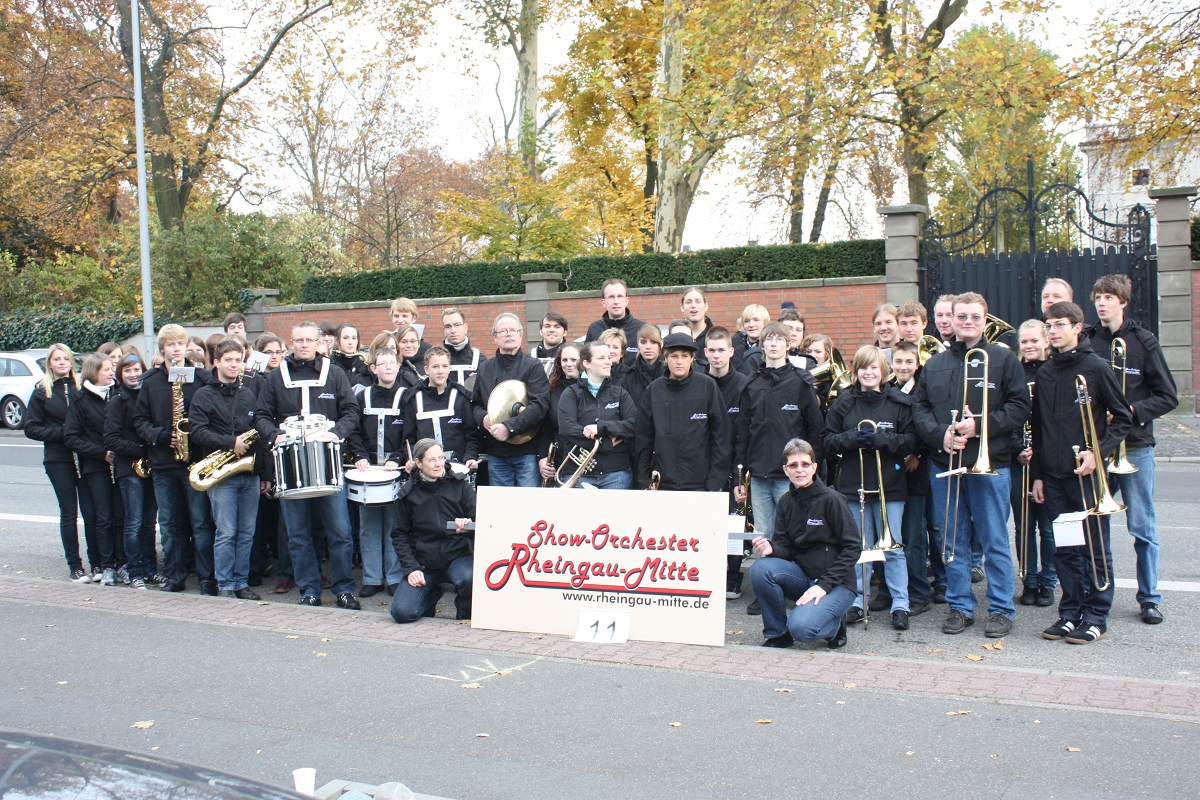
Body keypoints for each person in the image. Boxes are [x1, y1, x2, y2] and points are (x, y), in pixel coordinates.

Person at [913, 292, 1030, 638]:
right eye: (960, 316)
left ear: (985, 319)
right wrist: (941, 436)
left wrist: (981, 426)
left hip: (990, 462)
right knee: (952, 540)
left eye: (974, 317)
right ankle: (960, 606)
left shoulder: (1004, 360)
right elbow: (919, 410)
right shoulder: (934, 364)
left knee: (994, 539)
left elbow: (1020, 406)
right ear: (948, 318)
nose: (967, 322)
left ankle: (1000, 609)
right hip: (945, 462)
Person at [1032, 301, 1133, 644]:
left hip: (1087, 476)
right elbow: (1040, 427)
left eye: (1060, 325)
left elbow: (1123, 418)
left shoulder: (1097, 367)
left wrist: (1097, 452)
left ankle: (1096, 615)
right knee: (1065, 548)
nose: (1053, 331)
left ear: (1077, 327)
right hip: (1055, 476)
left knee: (1094, 547)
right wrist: (1039, 475)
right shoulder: (1045, 373)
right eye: (1049, 326)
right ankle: (1070, 612)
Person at [1085, 274, 1177, 625]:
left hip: (1135, 447)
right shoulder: (1088, 341)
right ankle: (1098, 592)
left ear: (1123, 301)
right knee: (1096, 524)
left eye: (1109, 297)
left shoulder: (1143, 341)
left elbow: (1168, 396)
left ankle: (1149, 598)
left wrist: (1131, 411)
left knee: (1142, 526)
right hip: (1100, 448)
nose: (1102, 303)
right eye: (1098, 297)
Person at [254, 321, 362, 609]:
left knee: (339, 532)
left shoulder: (335, 374)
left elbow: (352, 410)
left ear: (318, 343)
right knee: (298, 534)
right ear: (291, 343)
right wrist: (274, 434)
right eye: (299, 340)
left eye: (309, 340)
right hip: (290, 468)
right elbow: (261, 415)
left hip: (329, 464)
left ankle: (343, 590)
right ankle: (309, 590)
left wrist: (336, 433)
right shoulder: (276, 377)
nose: (304, 345)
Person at [822, 346, 915, 629]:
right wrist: (852, 437)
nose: (869, 372)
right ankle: (856, 601)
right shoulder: (843, 403)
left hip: (890, 487)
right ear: (856, 371)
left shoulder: (900, 402)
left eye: (874, 367)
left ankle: (901, 604)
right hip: (853, 486)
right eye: (863, 368)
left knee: (893, 548)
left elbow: (912, 441)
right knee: (858, 547)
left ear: (884, 371)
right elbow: (826, 440)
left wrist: (882, 439)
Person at [747, 438, 857, 649]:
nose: (800, 470)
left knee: (802, 630)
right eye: (793, 465)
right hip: (803, 577)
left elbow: (852, 548)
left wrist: (824, 585)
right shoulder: (786, 502)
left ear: (814, 467)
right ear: (785, 470)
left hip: (837, 584)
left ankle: (835, 626)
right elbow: (785, 548)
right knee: (760, 568)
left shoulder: (832, 500)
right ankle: (778, 633)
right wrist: (772, 549)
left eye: (805, 464)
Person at [135, 324, 217, 595]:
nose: (176, 348)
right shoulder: (150, 381)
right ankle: (175, 576)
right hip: (163, 463)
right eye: (171, 345)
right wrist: (160, 436)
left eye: (180, 344)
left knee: (201, 523)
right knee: (169, 525)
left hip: (194, 462)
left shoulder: (202, 379)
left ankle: (207, 578)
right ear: (163, 349)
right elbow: (139, 421)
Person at [734, 322, 824, 549]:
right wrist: (740, 474)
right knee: (764, 536)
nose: (774, 344)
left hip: (792, 474)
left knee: (795, 533)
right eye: (769, 339)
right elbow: (743, 432)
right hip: (759, 475)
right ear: (762, 345)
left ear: (788, 344)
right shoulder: (751, 384)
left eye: (779, 339)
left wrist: (813, 468)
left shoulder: (800, 383)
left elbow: (815, 430)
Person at [190, 338, 264, 600]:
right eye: (229, 360)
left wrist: (263, 473)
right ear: (217, 362)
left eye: (238, 360)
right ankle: (225, 584)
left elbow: (259, 433)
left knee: (247, 533)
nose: (235, 365)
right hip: (221, 474)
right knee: (226, 532)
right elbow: (197, 433)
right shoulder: (203, 394)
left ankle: (241, 582)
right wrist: (230, 442)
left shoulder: (247, 394)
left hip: (249, 473)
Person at [25, 344, 99, 583]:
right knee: (69, 512)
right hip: (59, 459)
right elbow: (31, 428)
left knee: (91, 512)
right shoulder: (41, 392)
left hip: (84, 458)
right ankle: (75, 566)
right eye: (57, 359)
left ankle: (96, 563)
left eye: (65, 359)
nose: (62, 363)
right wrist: (64, 433)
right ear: (50, 364)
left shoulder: (81, 388)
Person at [389, 439, 476, 623]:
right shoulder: (408, 493)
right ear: (418, 463)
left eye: (441, 458)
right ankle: (432, 594)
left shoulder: (461, 485)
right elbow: (399, 534)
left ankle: (464, 614)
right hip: (424, 563)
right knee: (402, 614)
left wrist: (469, 525)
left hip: (457, 556)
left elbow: (483, 523)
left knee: (470, 578)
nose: (438, 464)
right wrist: (410, 568)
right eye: (431, 460)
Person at [634, 333, 730, 491]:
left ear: (692, 358)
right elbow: (643, 438)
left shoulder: (707, 386)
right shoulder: (654, 390)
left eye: (685, 356)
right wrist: (644, 481)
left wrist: (715, 482)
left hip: (701, 484)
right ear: (665, 358)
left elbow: (722, 437)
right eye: (674, 356)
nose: (679, 361)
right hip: (662, 484)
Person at [348, 348, 407, 597]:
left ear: (398, 366)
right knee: (368, 526)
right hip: (368, 474)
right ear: (374, 369)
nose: (388, 368)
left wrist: (398, 458)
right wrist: (359, 456)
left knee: (394, 526)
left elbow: (412, 433)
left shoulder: (407, 396)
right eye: (382, 364)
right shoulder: (362, 397)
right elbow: (354, 431)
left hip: (396, 473)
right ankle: (372, 578)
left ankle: (394, 577)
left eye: (392, 363)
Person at [472, 312, 551, 487]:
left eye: (513, 330)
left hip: (527, 452)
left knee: (528, 507)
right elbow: (475, 404)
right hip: (496, 452)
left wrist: (509, 427)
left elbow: (540, 406)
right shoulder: (484, 369)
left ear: (521, 335)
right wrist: (483, 418)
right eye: (503, 331)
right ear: (495, 338)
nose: (509, 334)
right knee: (503, 509)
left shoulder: (533, 366)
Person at [1011, 319, 1056, 608]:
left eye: (1034, 341)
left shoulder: (1054, 372)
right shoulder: (1014, 372)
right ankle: (1029, 580)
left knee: (1048, 526)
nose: (1029, 346)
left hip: (1049, 461)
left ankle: (1048, 581)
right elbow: (1007, 416)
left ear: (1046, 342)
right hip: (1020, 461)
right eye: (1024, 342)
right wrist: (1018, 449)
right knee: (1023, 526)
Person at [704, 327, 752, 599]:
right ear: (705, 352)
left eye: (721, 349)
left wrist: (740, 473)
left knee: (734, 523)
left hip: (735, 463)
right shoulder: (698, 382)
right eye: (711, 349)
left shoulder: (743, 384)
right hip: (706, 465)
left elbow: (746, 431)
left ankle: (733, 576)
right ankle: (709, 573)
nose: (716, 355)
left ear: (732, 351)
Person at [105, 351, 159, 590]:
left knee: (149, 523)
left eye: (137, 370)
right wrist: (141, 450)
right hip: (130, 468)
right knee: (134, 522)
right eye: (127, 371)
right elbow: (111, 438)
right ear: (120, 374)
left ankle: (150, 570)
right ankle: (134, 571)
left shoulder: (149, 396)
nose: (133, 375)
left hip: (151, 467)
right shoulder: (118, 400)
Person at [64, 353, 118, 585]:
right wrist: (102, 453)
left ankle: (122, 561)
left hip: (121, 464)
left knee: (122, 516)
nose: (111, 372)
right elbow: (71, 437)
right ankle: (105, 563)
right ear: (93, 372)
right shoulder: (80, 399)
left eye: (111, 368)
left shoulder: (117, 393)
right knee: (102, 516)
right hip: (96, 466)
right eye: (106, 369)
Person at [890, 340, 934, 615]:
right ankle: (889, 590)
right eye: (899, 361)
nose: (904, 366)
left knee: (914, 535)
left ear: (917, 364)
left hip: (917, 472)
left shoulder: (925, 390)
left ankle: (918, 592)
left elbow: (929, 428)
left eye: (909, 362)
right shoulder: (888, 389)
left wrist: (918, 454)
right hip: (892, 474)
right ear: (891, 363)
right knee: (893, 536)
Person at [557, 341, 638, 489]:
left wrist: (601, 427)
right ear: (586, 363)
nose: (608, 362)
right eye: (602, 358)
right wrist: (605, 443)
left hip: (616, 473)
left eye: (608, 358)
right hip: (578, 473)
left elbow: (634, 425)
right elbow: (567, 428)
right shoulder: (571, 393)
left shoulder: (619, 393)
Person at [404, 345, 481, 472]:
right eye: (435, 367)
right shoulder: (413, 399)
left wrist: (470, 456)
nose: (440, 371)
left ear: (449, 369)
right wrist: (411, 459)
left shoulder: (462, 397)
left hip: (457, 467)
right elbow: (408, 438)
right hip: (425, 470)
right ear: (426, 369)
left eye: (444, 366)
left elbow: (471, 435)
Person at [537, 343, 582, 484]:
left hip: (588, 461)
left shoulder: (593, 390)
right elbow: (545, 430)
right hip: (561, 461)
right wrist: (542, 458)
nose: (568, 364)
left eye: (574, 360)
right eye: (564, 360)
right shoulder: (553, 391)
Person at [586, 278, 646, 365]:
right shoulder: (594, 329)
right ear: (603, 302)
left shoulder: (641, 329)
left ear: (626, 300)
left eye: (620, 296)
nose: (616, 302)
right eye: (611, 297)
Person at [619, 324, 664, 409]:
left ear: (661, 344)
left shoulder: (670, 373)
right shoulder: (629, 376)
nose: (648, 347)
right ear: (638, 344)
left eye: (653, 342)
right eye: (643, 342)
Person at [441, 307, 485, 390]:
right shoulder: (436, 359)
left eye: (457, 325)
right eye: (448, 326)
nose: (453, 330)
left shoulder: (480, 359)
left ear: (465, 327)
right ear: (444, 330)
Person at [390, 297, 431, 363]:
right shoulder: (385, 345)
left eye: (404, 316)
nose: (400, 320)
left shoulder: (427, 349)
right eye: (396, 316)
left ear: (414, 318)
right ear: (392, 318)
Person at [733, 304, 769, 374]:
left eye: (756, 320)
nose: (751, 325)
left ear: (765, 323)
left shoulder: (771, 349)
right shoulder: (736, 350)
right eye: (747, 321)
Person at [680, 287, 714, 357]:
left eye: (698, 301)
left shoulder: (717, 336)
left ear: (705, 306)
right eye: (688, 302)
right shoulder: (673, 337)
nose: (693, 305)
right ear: (682, 308)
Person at [394, 324, 426, 389]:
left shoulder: (429, 366)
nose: (409, 345)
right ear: (397, 344)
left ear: (418, 344)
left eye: (413, 341)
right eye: (403, 342)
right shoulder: (391, 368)